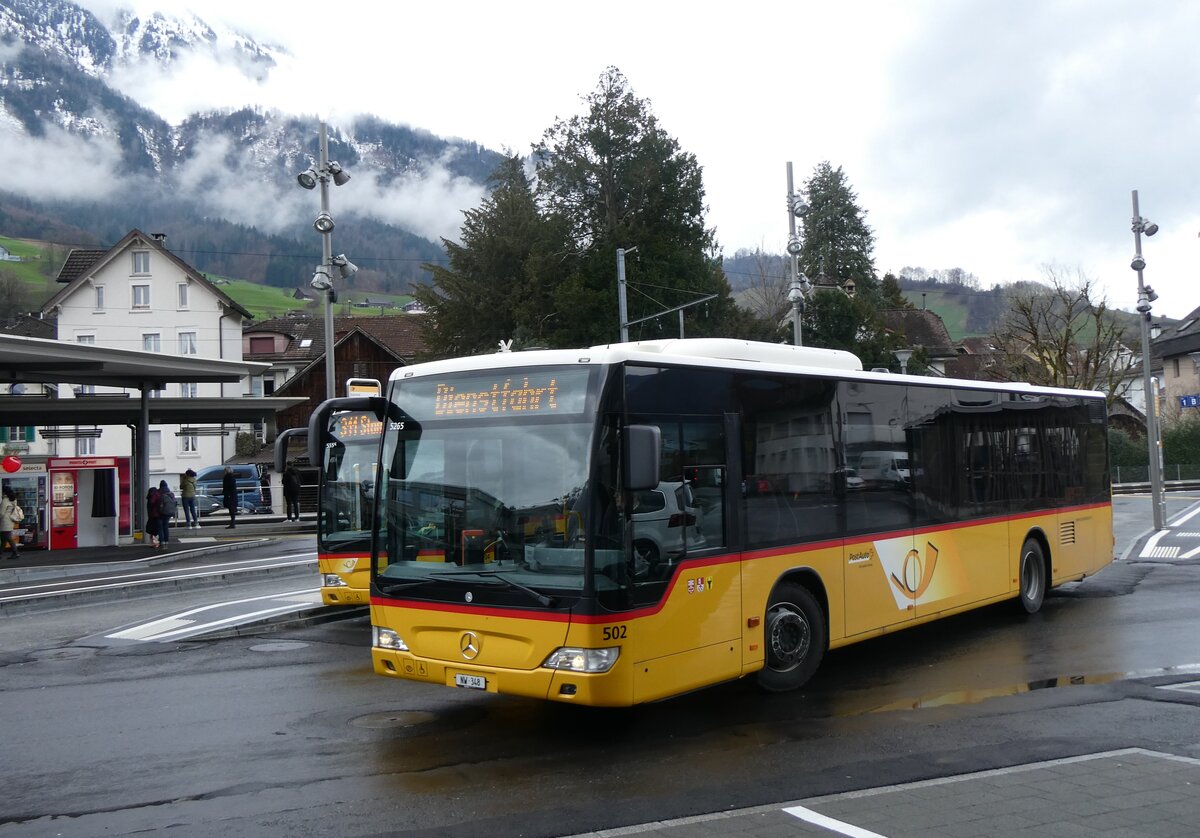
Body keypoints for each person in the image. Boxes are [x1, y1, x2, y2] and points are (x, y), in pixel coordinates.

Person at [1, 487, 21, 560]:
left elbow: (1, 513)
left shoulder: (5, 500)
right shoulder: (13, 499)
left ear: (4, 492)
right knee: (4, 538)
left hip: (4, 521)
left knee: (7, 538)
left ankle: (15, 553)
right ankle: (1, 553)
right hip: (10, 521)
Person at [157, 479, 175, 547]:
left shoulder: (159, 492)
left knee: (160, 527)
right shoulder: (171, 494)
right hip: (168, 512)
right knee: (166, 526)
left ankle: (161, 541)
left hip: (161, 512)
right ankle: (166, 540)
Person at [145, 483, 162, 548]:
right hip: (158, 515)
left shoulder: (150, 498)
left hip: (152, 516)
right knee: (157, 529)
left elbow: (149, 508)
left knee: (152, 530)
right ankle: (157, 542)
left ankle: (153, 542)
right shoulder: (158, 496)